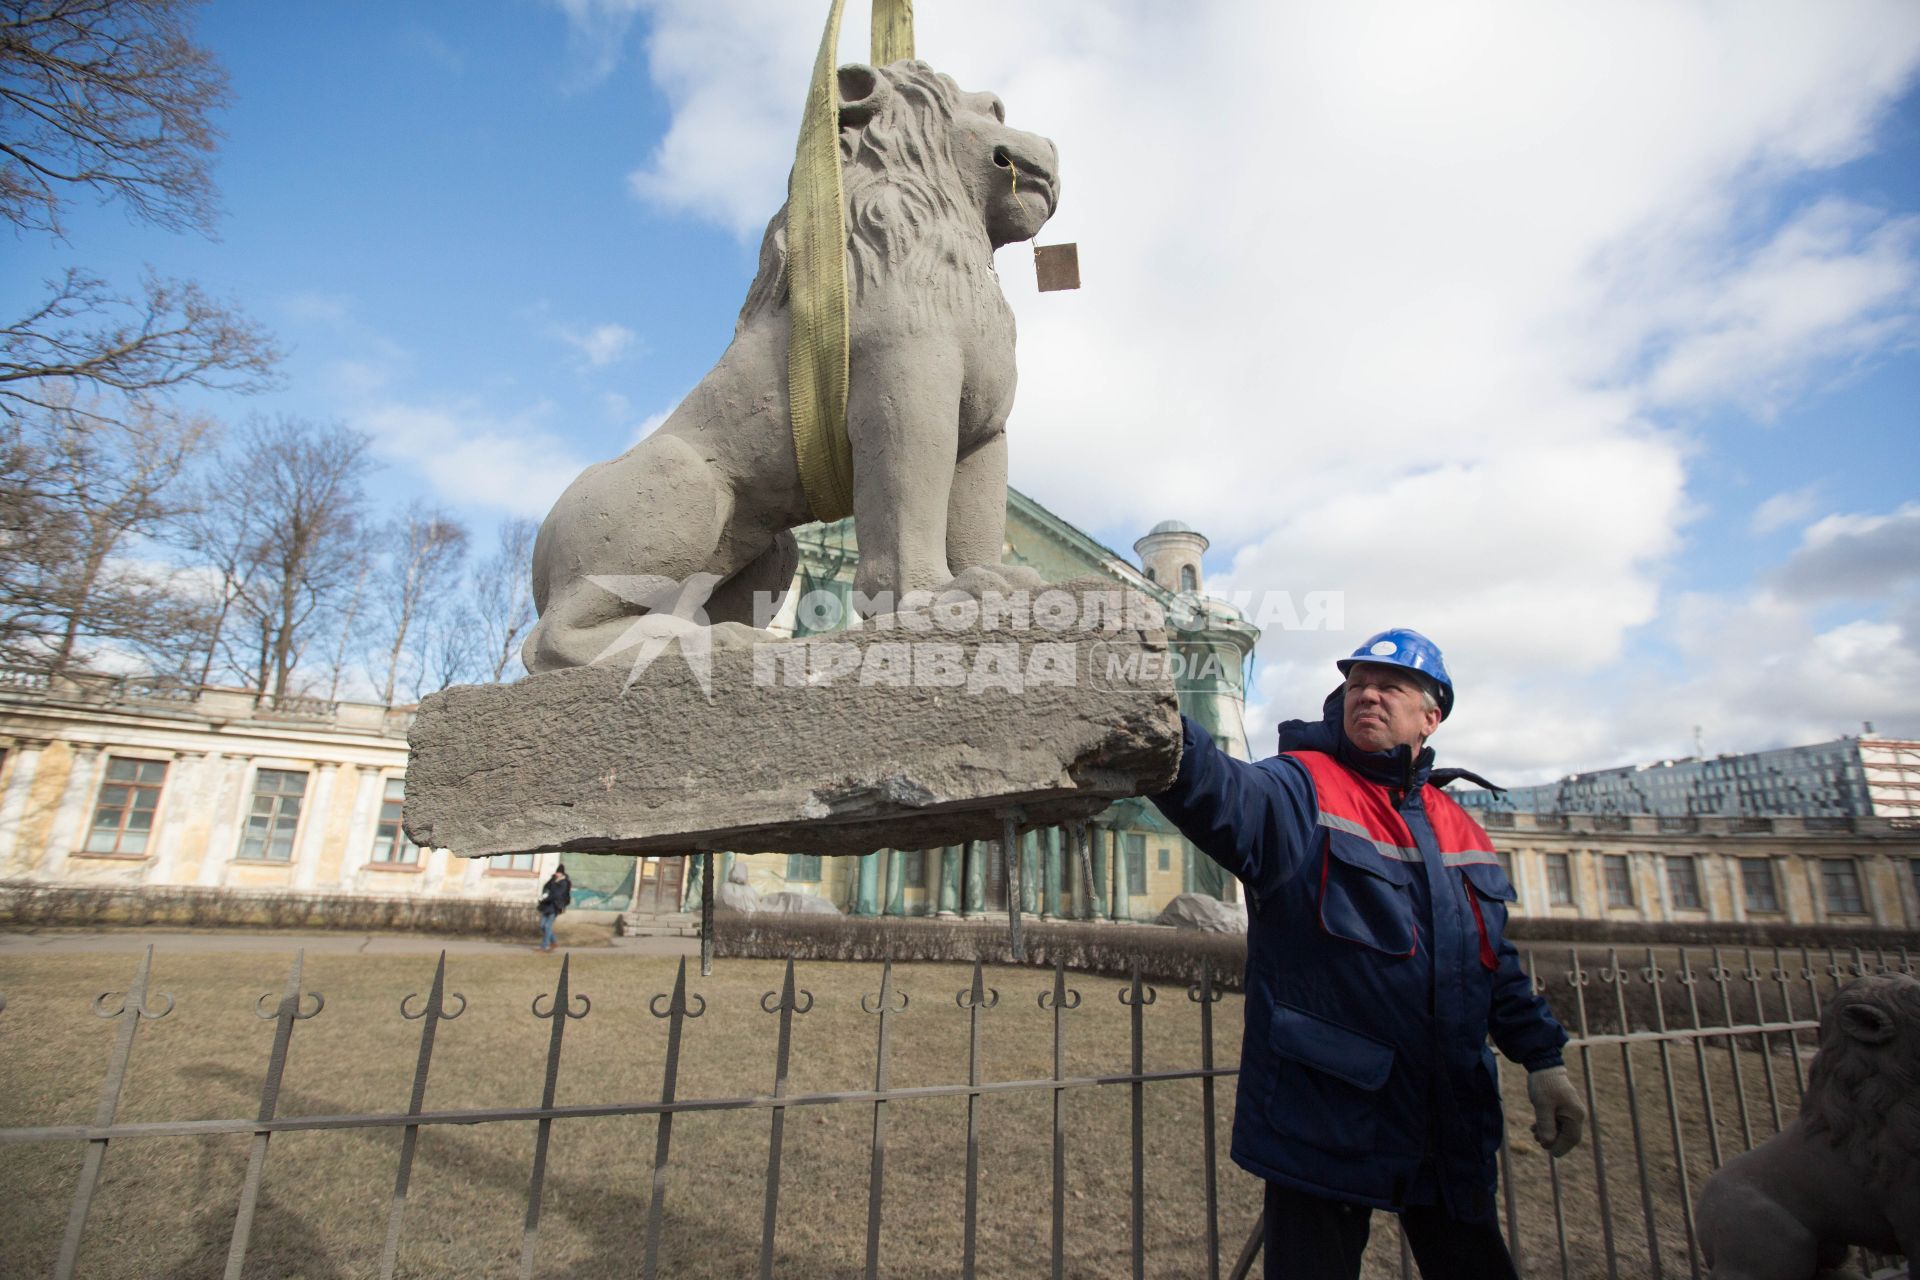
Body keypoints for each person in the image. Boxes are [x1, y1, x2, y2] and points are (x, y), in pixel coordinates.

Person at [1150, 628, 1585, 1280]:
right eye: (1356, 684)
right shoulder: (1301, 788)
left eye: (1390, 686)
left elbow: (1492, 964)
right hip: (1326, 1120)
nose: (1368, 696)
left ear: (1430, 715)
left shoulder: (1459, 825)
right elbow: (1217, 790)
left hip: (1449, 1121)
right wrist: (1155, 723)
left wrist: (1543, 1059)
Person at [537, 864, 571, 953]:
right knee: (542, 926)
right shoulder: (553, 880)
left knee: (547, 926)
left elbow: (557, 894)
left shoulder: (564, 882)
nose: (557, 874)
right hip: (547, 905)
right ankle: (554, 942)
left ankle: (543, 947)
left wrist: (546, 898)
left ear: (562, 873)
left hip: (555, 906)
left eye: (558, 872)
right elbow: (546, 888)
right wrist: (543, 896)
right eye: (556, 872)